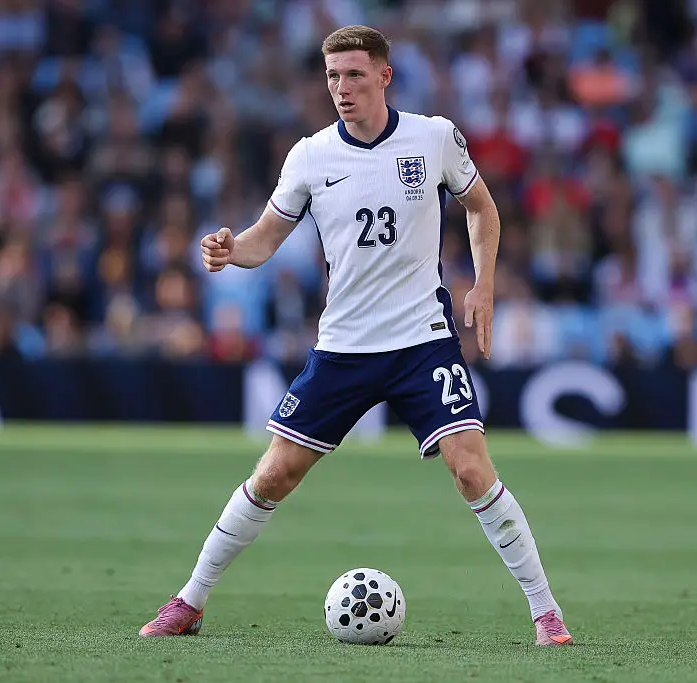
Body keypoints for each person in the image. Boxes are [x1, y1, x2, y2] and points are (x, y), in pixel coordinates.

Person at [139, 25, 573, 646]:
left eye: (355, 75)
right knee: (274, 474)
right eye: (333, 77)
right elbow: (266, 235)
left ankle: (546, 613)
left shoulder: (434, 138)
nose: (342, 89)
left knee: (472, 470)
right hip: (343, 345)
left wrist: (483, 285)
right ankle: (190, 601)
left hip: (422, 339)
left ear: (385, 76)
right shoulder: (311, 156)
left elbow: (482, 207)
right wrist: (233, 250)